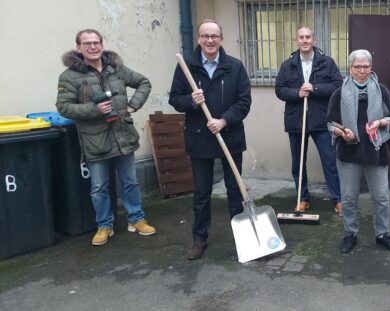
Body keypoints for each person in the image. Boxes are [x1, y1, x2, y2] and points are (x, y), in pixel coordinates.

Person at [56, 29, 156, 246]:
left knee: (130, 182)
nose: (93, 47)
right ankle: (104, 225)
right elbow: (63, 108)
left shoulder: (116, 69)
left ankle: (136, 219)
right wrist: (95, 109)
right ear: (78, 47)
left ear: (102, 45)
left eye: (96, 42)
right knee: (99, 186)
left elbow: (144, 82)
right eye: (87, 43)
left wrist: (132, 105)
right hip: (95, 139)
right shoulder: (70, 77)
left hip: (122, 134)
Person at [169, 20, 252, 260]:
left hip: (230, 135)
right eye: (205, 36)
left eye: (214, 36)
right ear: (198, 39)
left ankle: (242, 235)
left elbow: (244, 102)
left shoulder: (234, 67)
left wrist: (224, 120)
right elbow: (175, 99)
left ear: (221, 39)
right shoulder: (187, 67)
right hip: (199, 138)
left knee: (235, 188)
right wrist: (191, 101)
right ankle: (199, 238)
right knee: (202, 191)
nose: (210, 40)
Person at [326, 49, 390, 254]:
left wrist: (381, 122)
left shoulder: (382, 90)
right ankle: (350, 233)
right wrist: (343, 133)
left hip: (376, 152)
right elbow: (330, 124)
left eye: (366, 66)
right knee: (349, 197)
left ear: (371, 68)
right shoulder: (339, 92)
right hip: (349, 152)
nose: (362, 70)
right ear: (350, 69)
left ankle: (382, 234)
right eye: (357, 67)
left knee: (381, 197)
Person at [275, 26, 343, 215]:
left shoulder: (326, 63)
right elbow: (279, 89)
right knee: (298, 163)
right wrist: (297, 93)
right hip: (296, 121)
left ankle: (338, 199)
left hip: (321, 120)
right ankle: (303, 198)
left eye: (308, 37)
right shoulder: (288, 65)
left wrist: (315, 88)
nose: (304, 40)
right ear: (297, 40)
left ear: (314, 39)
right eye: (301, 37)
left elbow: (338, 85)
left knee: (329, 161)